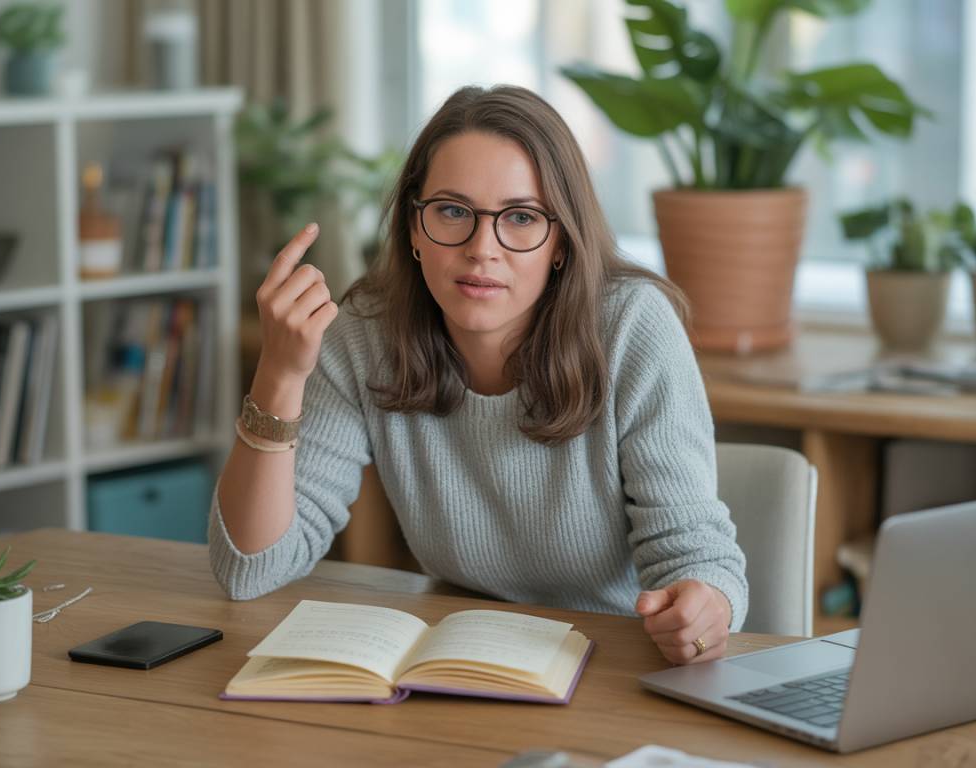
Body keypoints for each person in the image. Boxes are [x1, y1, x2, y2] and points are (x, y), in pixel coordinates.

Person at [212, 85, 748, 665]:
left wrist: (702, 607)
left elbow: (696, 556)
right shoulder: (366, 333)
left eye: (520, 217)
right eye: (452, 211)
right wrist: (280, 376)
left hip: (614, 660)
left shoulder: (632, 328)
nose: (481, 248)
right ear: (414, 228)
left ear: (561, 241)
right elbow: (251, 568)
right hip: (458, 659)